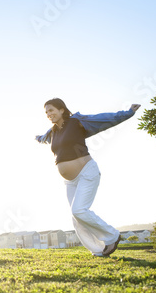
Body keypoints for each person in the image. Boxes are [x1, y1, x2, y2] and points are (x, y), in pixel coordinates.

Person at [36, 98, 141, 257]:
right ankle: (98, 250)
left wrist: (128, 112)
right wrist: (38, 137)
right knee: (76, 217)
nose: (49, 114)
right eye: (46, 112)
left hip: (87, 172)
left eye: (51, 110)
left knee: (79, 210)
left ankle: (112, 235)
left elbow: (104, 119)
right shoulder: (52, 132)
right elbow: (44, 138)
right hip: (70, 181)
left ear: (62, 110)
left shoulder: (76, 122)